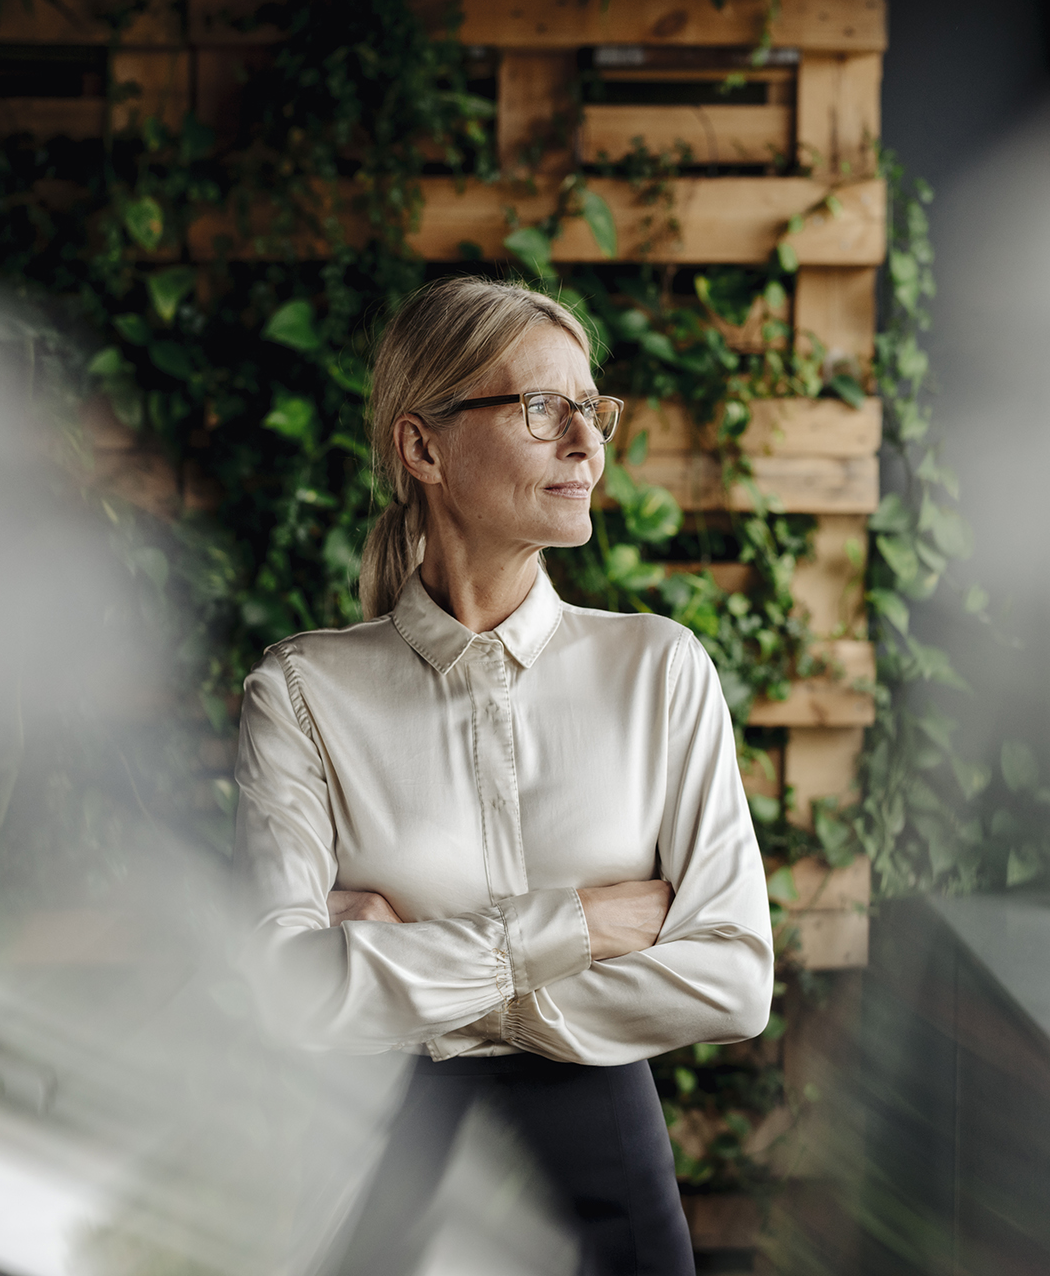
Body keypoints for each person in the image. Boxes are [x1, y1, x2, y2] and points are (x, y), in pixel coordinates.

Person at [232, 277, 774, 1274]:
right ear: (421, 447)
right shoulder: (302, 695)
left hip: (610, 1187)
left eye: (591, 408)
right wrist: (583, 926)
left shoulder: (658, 671)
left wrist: (421, 982)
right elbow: (286, 993)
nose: (585, 441)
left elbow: (734, 980)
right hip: (374, 1173)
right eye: (539, 407)